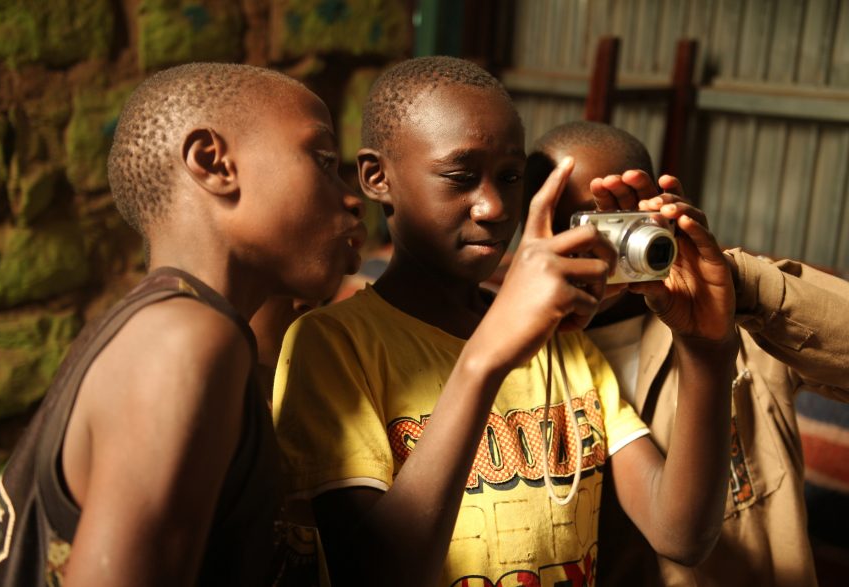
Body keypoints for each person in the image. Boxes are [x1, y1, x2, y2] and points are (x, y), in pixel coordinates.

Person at [272, 56, 739, 586]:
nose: (493, 206)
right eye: (460, 176)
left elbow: (681, 535)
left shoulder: (563, 343)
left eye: (510, 177)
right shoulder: (334, 345)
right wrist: (485, 359)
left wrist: (706, 350)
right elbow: (377, 575)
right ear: (377, 177)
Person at [0, 62, 367, 586]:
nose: (352, 196)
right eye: (322, 160)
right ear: (213, 162)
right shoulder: (185, 343)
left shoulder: (173, 326)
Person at [526, 120, 849, 587]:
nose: (585, 245)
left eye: (606, 223)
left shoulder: (739, 322)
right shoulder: (522, 356)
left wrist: (741, 285)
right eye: (564, 224)